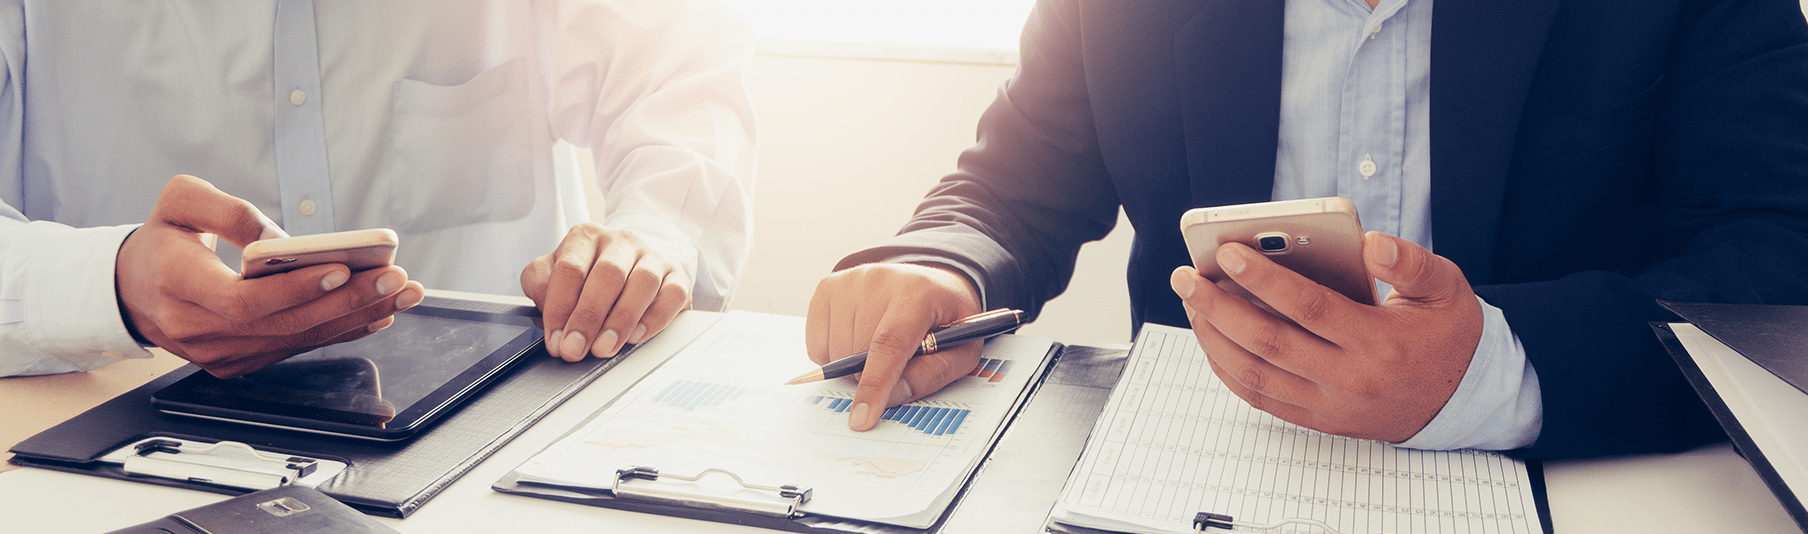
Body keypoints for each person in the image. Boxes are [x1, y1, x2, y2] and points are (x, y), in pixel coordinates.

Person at [806, 0, 1808, 459]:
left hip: (1578, 487)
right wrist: (934, 264)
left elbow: (1776, 251)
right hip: (1187, 474)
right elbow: (1010, 184)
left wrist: (1494, 370)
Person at [0, 0, 755, 378]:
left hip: (488, 447)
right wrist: (111, 283)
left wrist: (659, 232)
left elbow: (679, 74)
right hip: (97, 436)